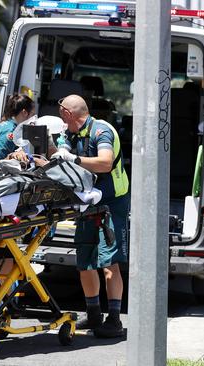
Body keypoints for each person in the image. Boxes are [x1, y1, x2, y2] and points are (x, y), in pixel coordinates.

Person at [52, 95, 129, 338]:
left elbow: (105, 163)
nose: (61, 120)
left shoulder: (101, 131)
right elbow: (62, 152)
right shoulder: (71, 133)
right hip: (86, 202)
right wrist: (58, 151)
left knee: (109, 263)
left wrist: (73, 158)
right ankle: (94, 313)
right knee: (85, 262)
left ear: (68, 113)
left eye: (61, 114)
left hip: (110, 202)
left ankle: (114, 320)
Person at [0, 94, 35, 164]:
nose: (33, 119)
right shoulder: (10, 132)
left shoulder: (8, 125)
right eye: (32, 114)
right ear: (24, 112)